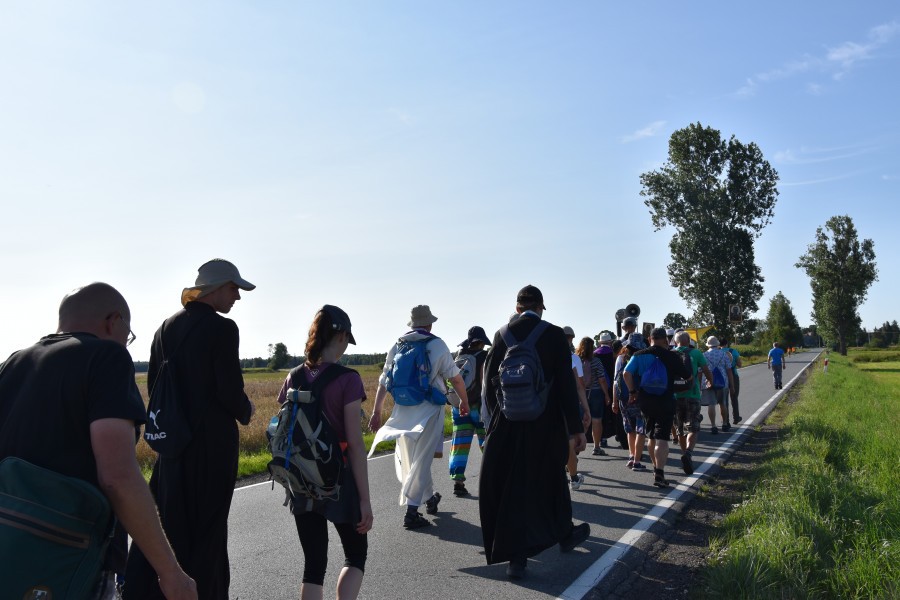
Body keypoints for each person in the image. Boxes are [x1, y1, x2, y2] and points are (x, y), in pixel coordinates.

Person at [0, 283, 197, 600]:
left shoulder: (12, 363)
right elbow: (117, 477)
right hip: (71, 557)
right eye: (128, 335)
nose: (125, 343)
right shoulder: (107, 356)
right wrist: (171, 573)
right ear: (113, 321)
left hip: (10, 553)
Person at [125, 259, 256, 600]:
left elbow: (155, 387)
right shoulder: (223, 329)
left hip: (172, 447)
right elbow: (229, 390)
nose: (237, 297)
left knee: (170, 528)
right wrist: (247, 410)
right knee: (209, 533)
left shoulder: (164, 329)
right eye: (234, 289)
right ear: (216, 288)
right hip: (212, 448)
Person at [479, 285, 590, 580]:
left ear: (517, 308)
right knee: (552, 478)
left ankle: (518, 558)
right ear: (541, 307)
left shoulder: (501, 335)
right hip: (545, 423)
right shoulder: (553, 334)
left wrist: (494, 423)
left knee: (512, 487)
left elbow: (489, 384)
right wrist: (575, 428)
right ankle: (563, 533)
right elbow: (565, 385)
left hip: (508, 423)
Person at [276, 306, 372, 600]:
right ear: (341, 336)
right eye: (347, 340)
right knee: (355, 555)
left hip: (301, 480)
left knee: (313, 566)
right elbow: (355, 444)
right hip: (338, 478)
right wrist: (365, 500)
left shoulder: (293, 376)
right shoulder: (348, 379)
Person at [368, 305, 469, 529]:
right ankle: (412, 512)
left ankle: (430, 498)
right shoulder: (437, 344)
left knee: (413, 458)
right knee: (422, 459)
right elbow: (455, 378)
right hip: (429, 408)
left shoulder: (398, 345)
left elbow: (384, 381)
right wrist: (464, 401)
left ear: (412, 324)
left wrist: (377, 412)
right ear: (430, 324)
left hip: (402, 409)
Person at [623, 327, 691, 488]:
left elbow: (626, 373)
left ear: (649, 339)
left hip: (645, 401)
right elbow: (688, 376)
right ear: (665, 340)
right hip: (666, 400)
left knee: (651, 435)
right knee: (662, 437)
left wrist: (632, 391)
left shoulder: (639, 355)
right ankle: (660, 473)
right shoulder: (672, 356)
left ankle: (655, 469)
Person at [448, 326, 491, 497]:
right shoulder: (484, 356)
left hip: (459, 406)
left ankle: (458, 483)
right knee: (486, 443)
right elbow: (485, 383)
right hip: (479, 407)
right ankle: (492, 481)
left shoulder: (459, 356)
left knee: (459, 444)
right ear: (481, 342)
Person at [673, 332, 713, 475]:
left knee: (680, 428)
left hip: (675, 395)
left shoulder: (671, 354)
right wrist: (710, 381)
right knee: (693, 427)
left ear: (675, 342)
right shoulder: (696, 353)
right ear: (688, 341)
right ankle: (688, 453)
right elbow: (706, 370)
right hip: (693, 394)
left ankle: (684, 453)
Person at [564, 332, 592, 490]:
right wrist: (586, 409)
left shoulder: (542, 356)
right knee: (570, 440)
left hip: (544, 407)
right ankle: (574, 478)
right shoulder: (572, 359)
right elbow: (580, 386)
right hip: (568, 404)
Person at [612, 340, 646, 470]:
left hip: (623, 399)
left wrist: (615, 401)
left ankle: (631, 456)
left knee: (629, 428)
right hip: (638, 397)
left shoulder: (620, 358)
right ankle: (637, 461)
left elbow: (616, 381)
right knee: (640, 428)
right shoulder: (641, 358)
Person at [699, 336, 735, 435]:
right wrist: (732, 385)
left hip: (708, 382)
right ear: (717, 344)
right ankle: (724, 424)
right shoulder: (724, 354)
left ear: (708, 345)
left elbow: (700, 371)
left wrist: (699, 385)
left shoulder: (703, 355)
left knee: (711, 404)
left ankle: (713, 426)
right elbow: (729, 370)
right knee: (722, 403)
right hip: (722, 382)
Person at [586, 334, 614, 456]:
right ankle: (600, 441)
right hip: (600, 390)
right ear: (610, 342)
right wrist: (607, 394)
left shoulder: (585, 358)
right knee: (599, 418)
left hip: (584, 391)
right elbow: (602, 378)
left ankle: (579, 442)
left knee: (585, 417)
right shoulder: (611, 354)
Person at [721, 338, 743, 423]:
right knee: (734, 397)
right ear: (727, 343)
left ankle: (726, 420)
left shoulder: (718, 352)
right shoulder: (733, 351)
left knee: (724, 399)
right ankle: (736, 417)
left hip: (722, 376)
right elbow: (739, 364)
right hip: (733, 374)